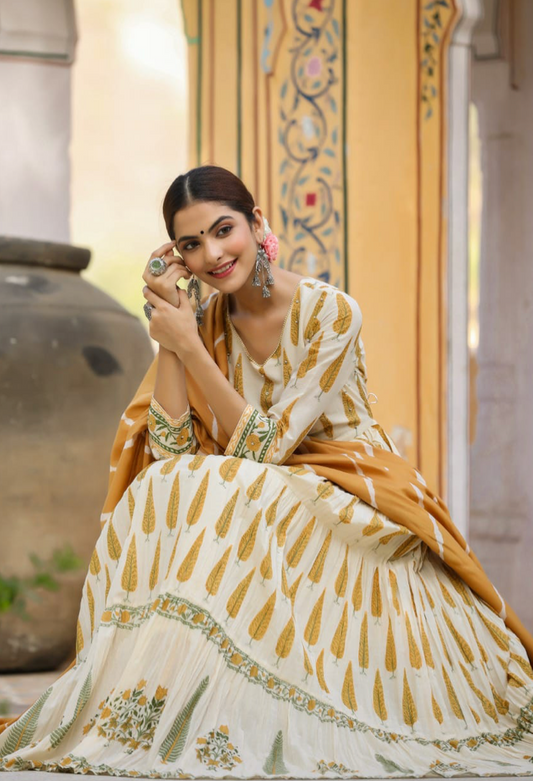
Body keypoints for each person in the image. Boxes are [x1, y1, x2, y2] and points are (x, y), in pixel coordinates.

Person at [1, 164, 532, 778]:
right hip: (258, 486)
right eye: (191, 244)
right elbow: (172, 452)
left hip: (350, 482)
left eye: (223, 230)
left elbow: (270, 447)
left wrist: (190, 344)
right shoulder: (207, 321)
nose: (213, 254)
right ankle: (159, 708)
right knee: (167, 485)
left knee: (234, 482)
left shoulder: (332, 312)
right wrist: (173, 330)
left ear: (257, 223)